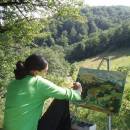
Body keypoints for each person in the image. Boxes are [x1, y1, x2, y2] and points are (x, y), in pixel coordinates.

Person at [3, 54, 82, 130]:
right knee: (62, 99)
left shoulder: (13, 83)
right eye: (45, 71)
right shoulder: (37, 83)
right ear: (35, 72)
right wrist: (78, 89)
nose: (46, 74)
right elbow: (69, 95)